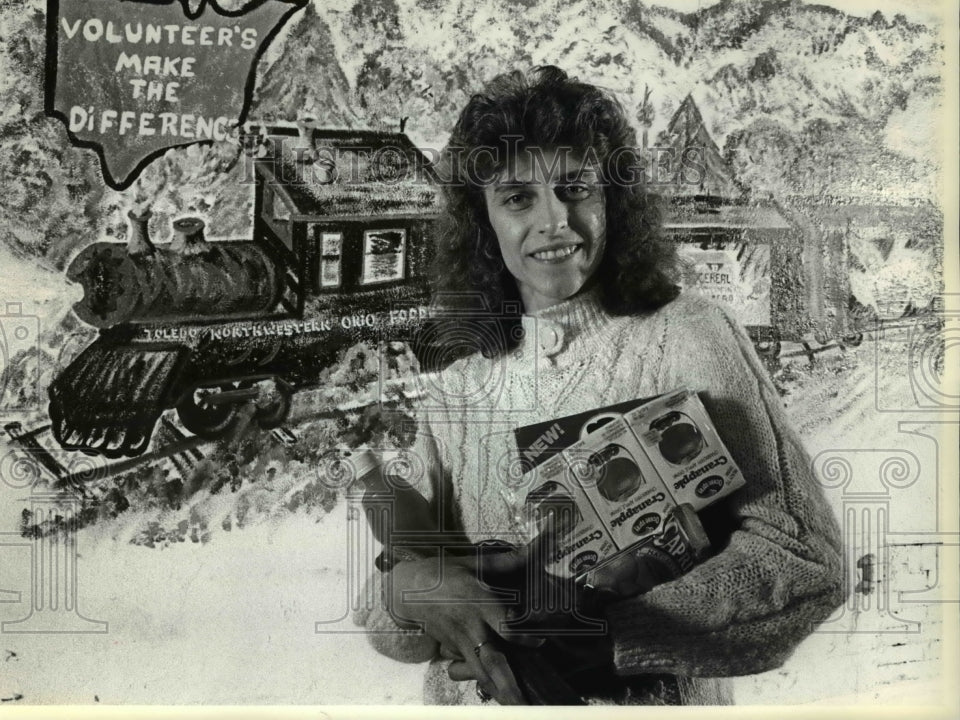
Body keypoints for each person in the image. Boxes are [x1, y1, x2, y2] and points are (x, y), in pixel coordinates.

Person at [352, 66, 846, 705]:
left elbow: (805, 559)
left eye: (575, 188)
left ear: (614, 199)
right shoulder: (459, 384)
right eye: (518, 198)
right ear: (483, 222)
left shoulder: (689, 333)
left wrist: (609, 638)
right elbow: (381, 614)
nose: (555, 220)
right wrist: (409, 588)